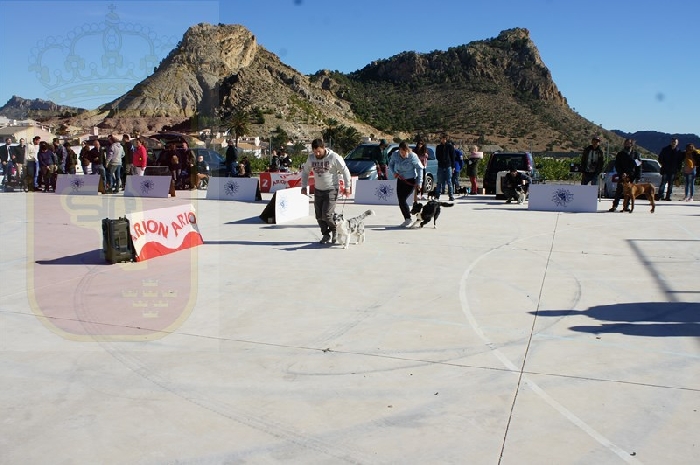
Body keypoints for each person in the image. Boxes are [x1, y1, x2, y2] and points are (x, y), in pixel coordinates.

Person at [300, 138, 352, 244]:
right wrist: (304, 186)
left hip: (331, 189)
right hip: (318, 190)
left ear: (324, 147)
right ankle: (325, 234)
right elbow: (305, 172)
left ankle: (335, 230)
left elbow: (345, 171)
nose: (317, 154)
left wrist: (347, 187)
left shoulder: (334, 157)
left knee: (327, 214)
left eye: (319, 151)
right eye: (315, 152)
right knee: (318, 215)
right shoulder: (311, 158)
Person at [388, 141, 424, 227]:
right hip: (400, 179)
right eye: (401, 152)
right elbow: (391, 164)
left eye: (405, 152)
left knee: (403, 199)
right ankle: (407, 219)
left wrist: (419, 182)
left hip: (410, 180)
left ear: (408, 150)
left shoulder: (413, 156)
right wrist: (394, 172)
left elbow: (420, 169)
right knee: (400, 200)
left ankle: (408, 218)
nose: (403, 154)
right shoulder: (395, 155)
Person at [609, 138, 638, 212]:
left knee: (629, 192)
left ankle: (626, 206)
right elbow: (617, 165)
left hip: (631, 176)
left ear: (632, 144)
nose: (627, 145)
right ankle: (614, 206)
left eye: (629, 143)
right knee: (619, 191)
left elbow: (639, 165)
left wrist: (638, 176)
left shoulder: (635, 154)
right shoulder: (620, 154)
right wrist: (621, 173)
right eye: (626, 143)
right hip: (622, 176)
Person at [435, 133, 455, 201]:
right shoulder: (438, 147)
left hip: (448, 166)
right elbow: (437, 156)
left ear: (446, 139)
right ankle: (437, 196)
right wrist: (441, 160)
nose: (443, 140)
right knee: (439, 181)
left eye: (444, 139)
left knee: (449, 181)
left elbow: (453, 157)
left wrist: (453, 166)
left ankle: (451, 195)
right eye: (442, 139)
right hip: (440, 166)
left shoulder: (450, 147)